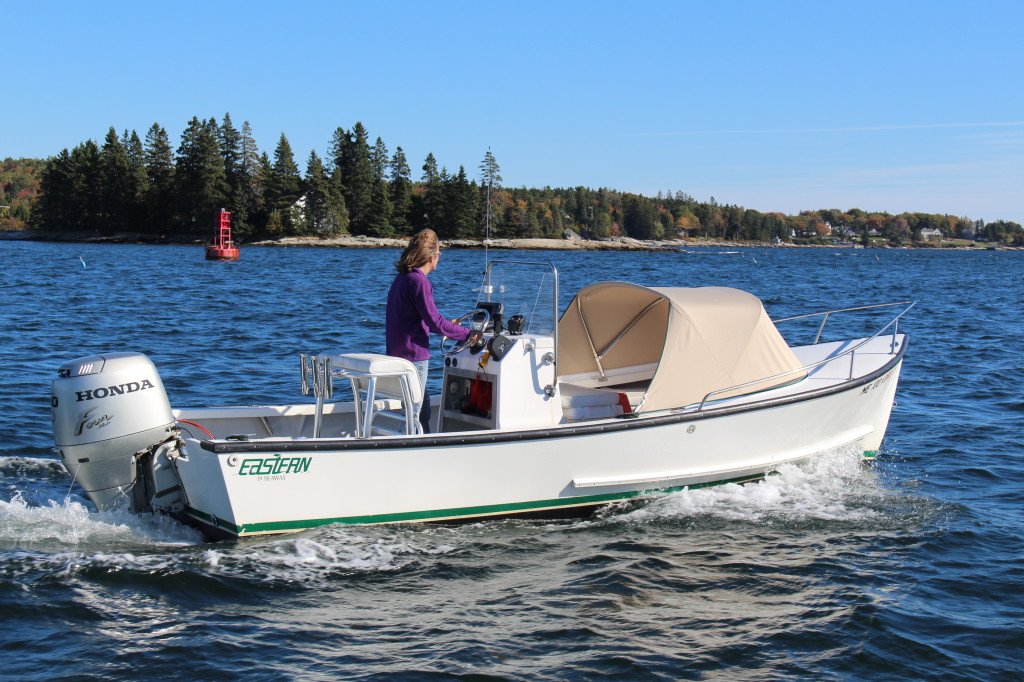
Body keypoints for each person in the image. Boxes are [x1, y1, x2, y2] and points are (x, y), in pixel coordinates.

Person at [386, 229, 481, 433]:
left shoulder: (402, 278)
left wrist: (450, 325)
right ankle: (408, 452)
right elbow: (434, 322)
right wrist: (467, 334)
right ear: (430, 256)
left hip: (398, 353)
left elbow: (418, 319)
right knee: (413, 413)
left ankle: (425, 446)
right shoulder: (420, 282)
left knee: (423, 410)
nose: (439, 258)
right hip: (414, 356)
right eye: (439, 254)